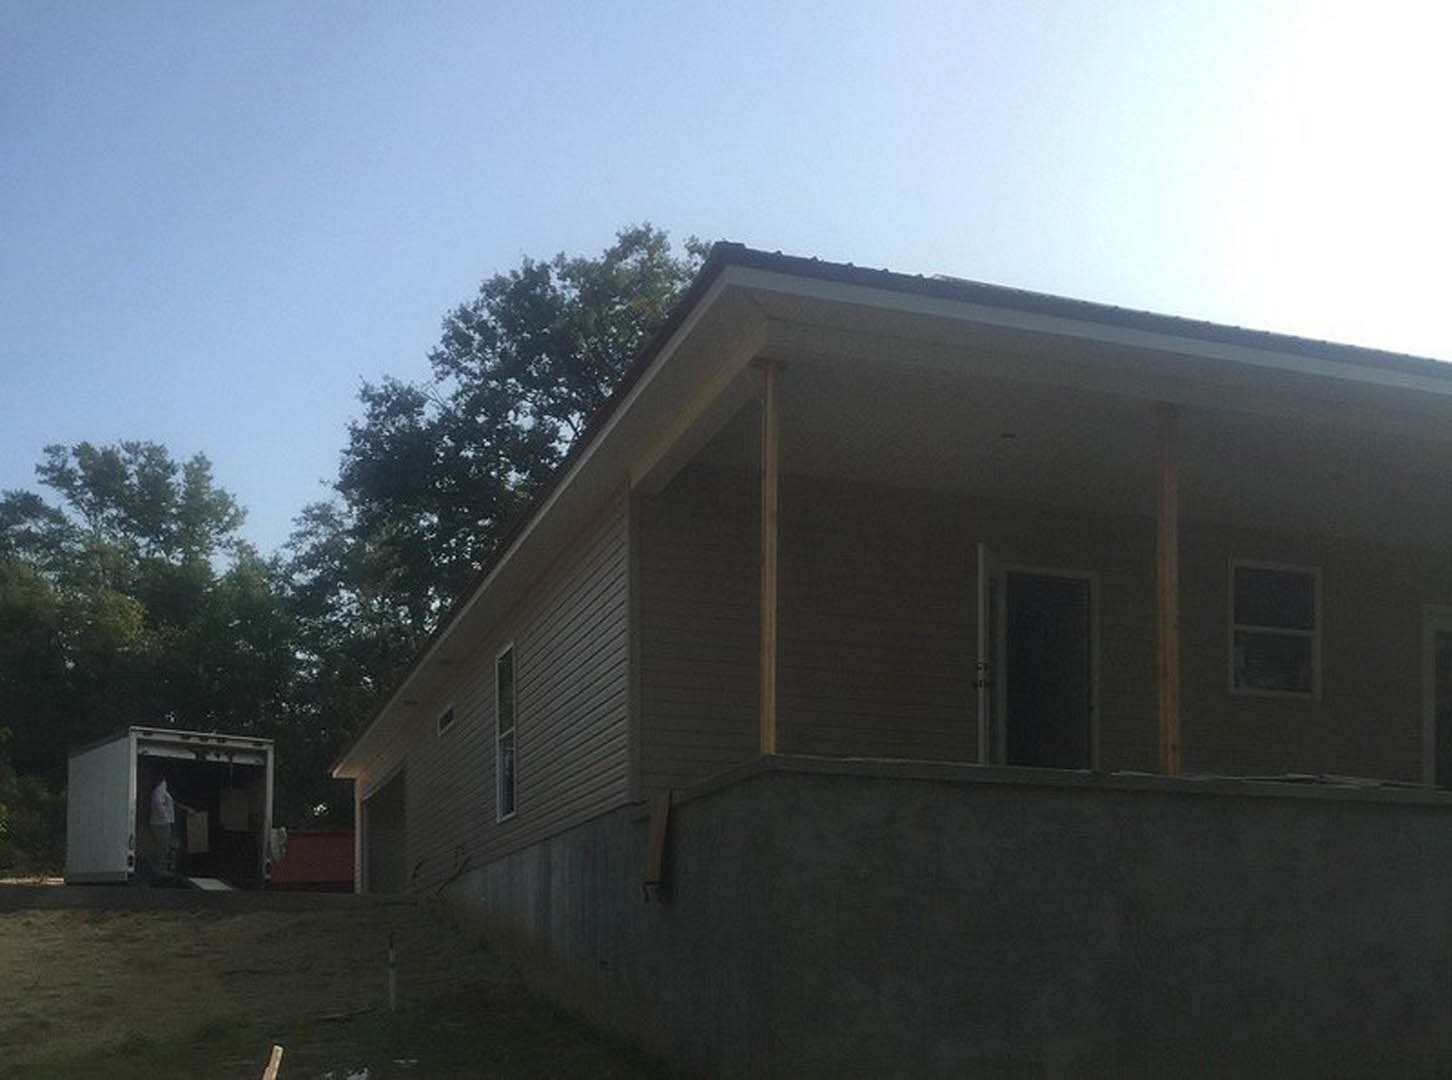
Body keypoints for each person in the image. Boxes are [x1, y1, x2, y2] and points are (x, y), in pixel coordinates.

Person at [149, 776, 177, 874]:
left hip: (160, 822)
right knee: (163, 846)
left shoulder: (159, 791)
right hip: (161, 824)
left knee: (161, 846)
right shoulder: (160, 790)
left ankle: (160, 868)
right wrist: (165, 818)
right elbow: (158, 803)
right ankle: (162, 869)